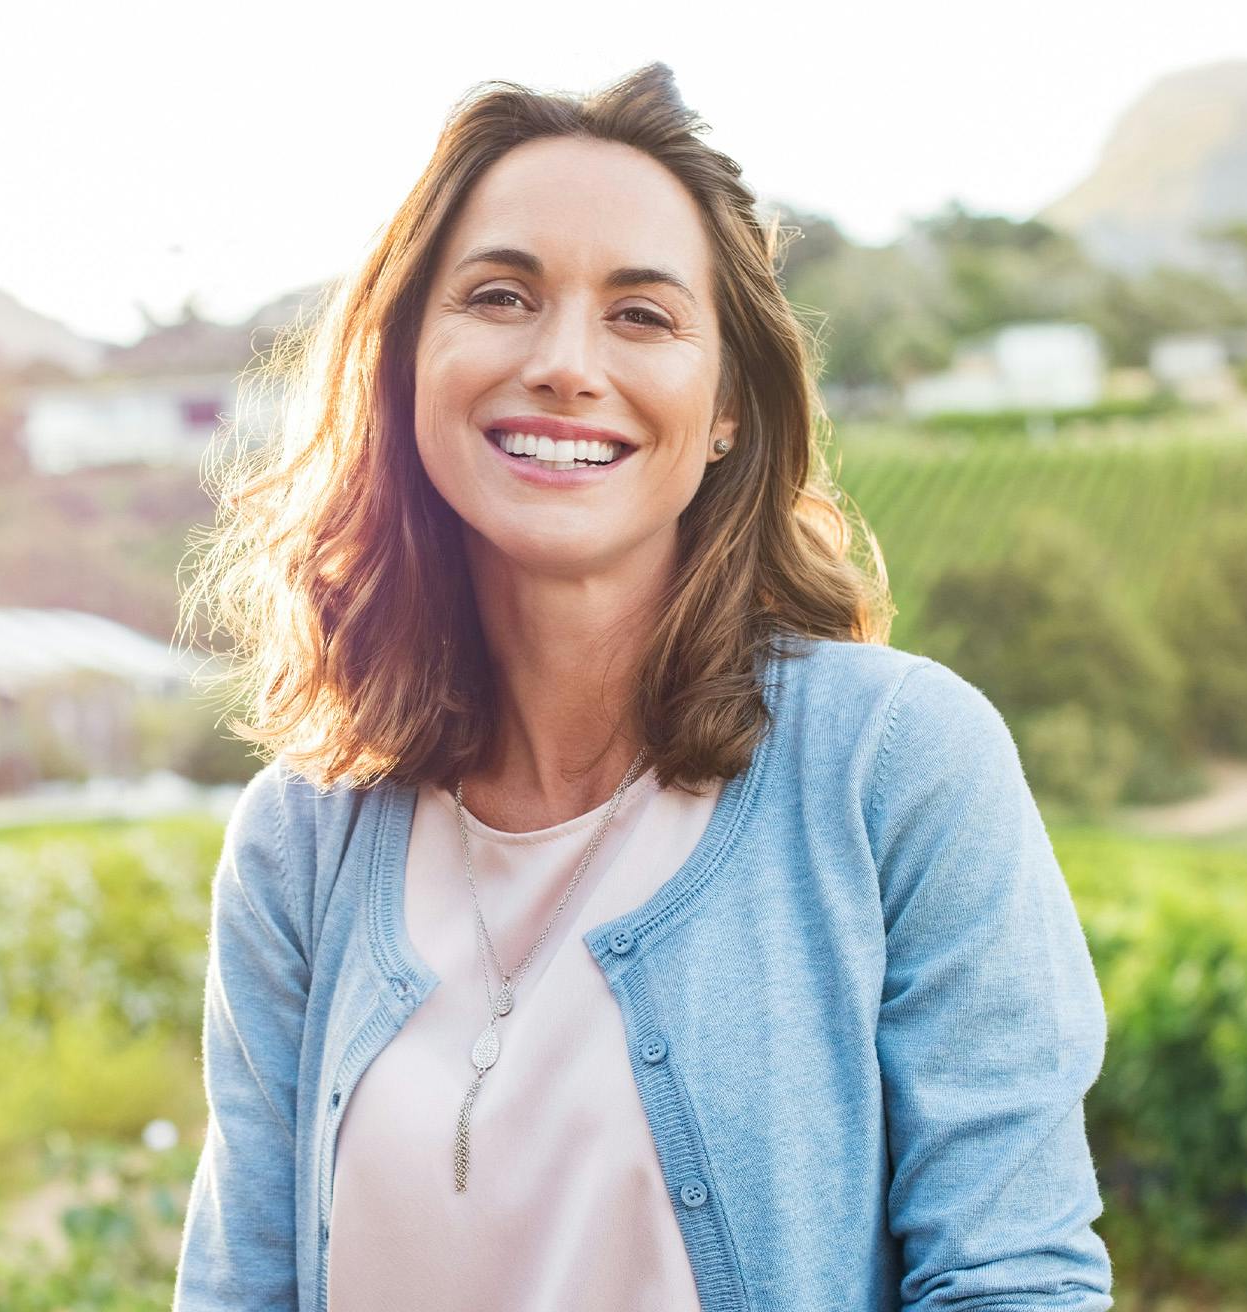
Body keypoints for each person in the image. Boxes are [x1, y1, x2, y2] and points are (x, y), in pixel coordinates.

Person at [171, 62, 1113, 1312]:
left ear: (727, 407)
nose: (565, 364)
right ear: (408, 365)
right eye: (501, 296)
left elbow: (1012, 1277)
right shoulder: (303, 840)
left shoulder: (895, 761)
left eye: (642, 315)